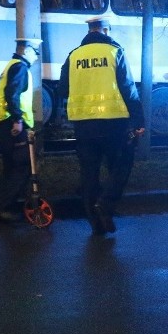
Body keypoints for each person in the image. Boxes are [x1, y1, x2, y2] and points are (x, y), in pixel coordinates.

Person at [58, 17, 145, 235]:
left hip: (83, 126)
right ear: (105, 30)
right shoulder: (115, 52)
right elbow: (128, 89)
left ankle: (94, 220)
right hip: (114, 123)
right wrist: (138, 121)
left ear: (90, 31)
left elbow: (62, 90)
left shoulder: (74, 55)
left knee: (89, 172)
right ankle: (105, 205)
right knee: (121, 165)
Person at [0, 38, 42, 222]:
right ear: (26, 50)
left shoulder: (11, 65)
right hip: (12, 125)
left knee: (11, 168)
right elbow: (13, 94)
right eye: (35, 52)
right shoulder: (19, 67)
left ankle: (4, 204)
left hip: (3, 123)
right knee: (22, 167)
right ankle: (4, 206)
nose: (37, 56)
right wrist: (18, 119)